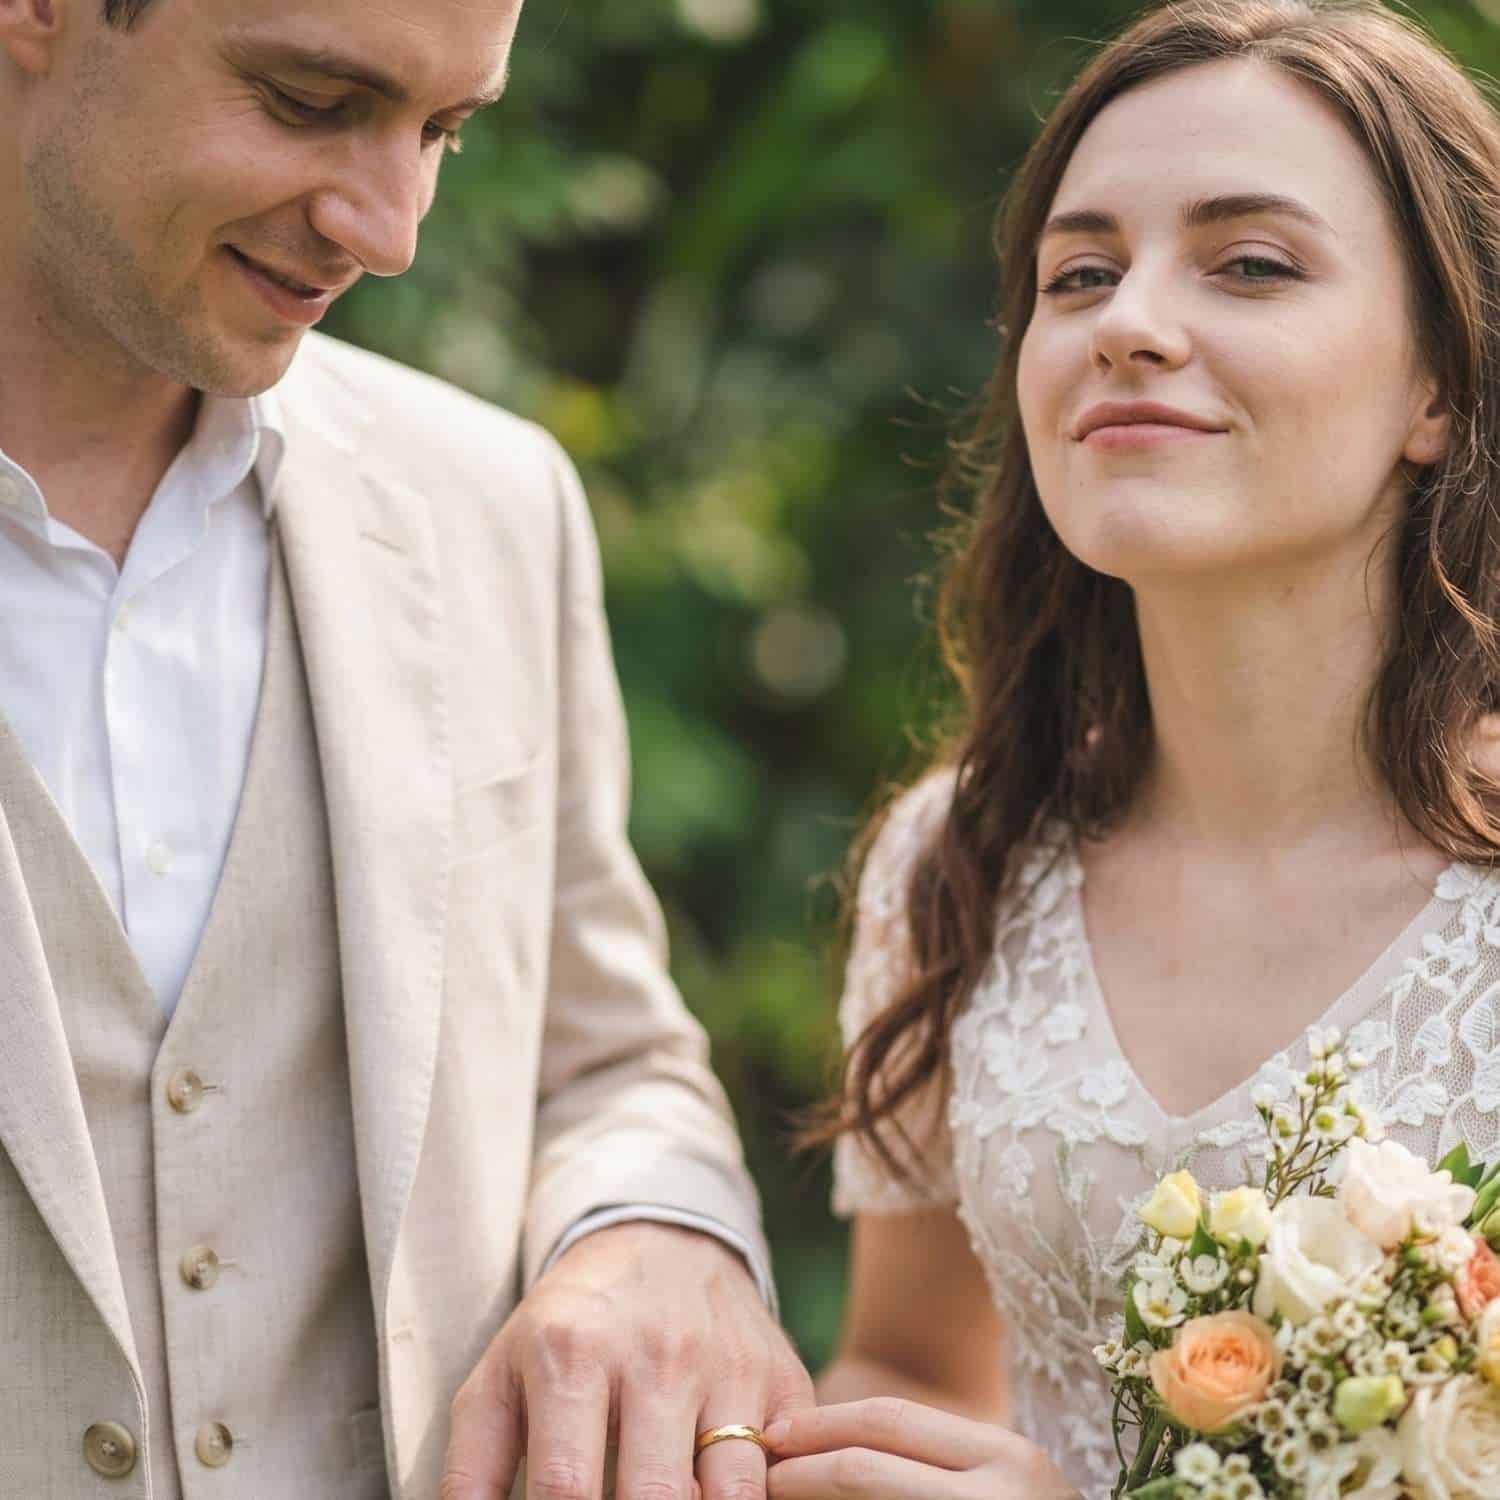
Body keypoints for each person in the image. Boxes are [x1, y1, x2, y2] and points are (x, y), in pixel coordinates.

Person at [0, 0, 812, 1497]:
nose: (389, 231)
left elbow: (608, 1058)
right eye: (312, 100)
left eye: (445, 132)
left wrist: (646, 1236)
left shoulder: (493, 507)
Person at [768, 1, 1500, 1496]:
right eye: (1079, 273)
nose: (1128, 322)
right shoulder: (957, 860)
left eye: (1250, 264)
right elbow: (909, 1362)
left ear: (1438, 382)